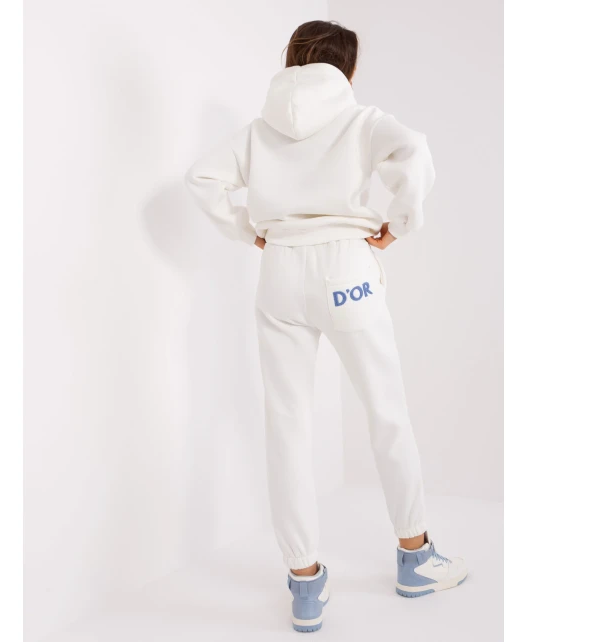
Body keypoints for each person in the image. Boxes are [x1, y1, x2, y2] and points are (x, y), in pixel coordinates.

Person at [186, 19, 467, 633]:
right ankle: (415, 557)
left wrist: (249, 230)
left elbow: (201, 178)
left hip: (280, 271)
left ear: (291, 58)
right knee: (385, 410)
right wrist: (399, 223)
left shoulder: (258, 131)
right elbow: (414, 149)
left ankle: (305, 582)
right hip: (346, 270)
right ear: (349, 69)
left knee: (287, 424)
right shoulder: (361, 120)